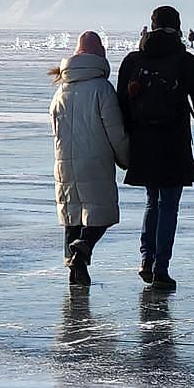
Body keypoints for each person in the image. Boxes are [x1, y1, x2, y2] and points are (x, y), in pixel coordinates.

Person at [117, 4, 194, 292]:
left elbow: (120, 107)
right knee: (169, 204)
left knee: (153, 201)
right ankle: (161, 268)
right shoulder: (186, 61)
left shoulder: (133, 61)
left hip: (142, 143)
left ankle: (146, 260)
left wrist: (121, 146)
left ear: (150, 27)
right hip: (173, 143)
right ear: (178, 27)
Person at [50, 30, 130, 286]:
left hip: (64, 163)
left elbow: (56, 131)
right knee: (101, 214)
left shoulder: (61, 92)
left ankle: (75, 269)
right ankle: (83, 248)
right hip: (95, 162)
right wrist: (126, 158)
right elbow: (115, 130)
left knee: (72, 216)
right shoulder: (102, 89)